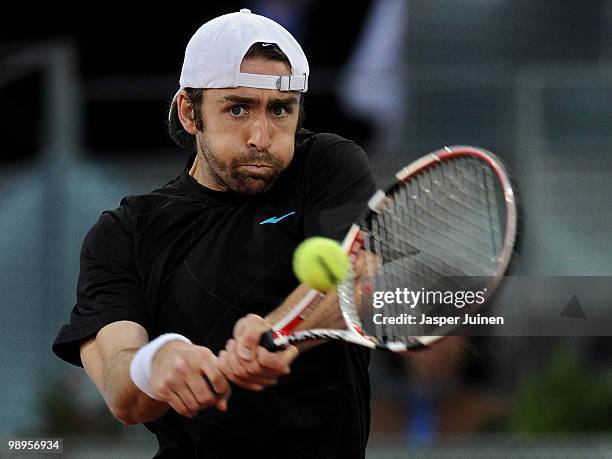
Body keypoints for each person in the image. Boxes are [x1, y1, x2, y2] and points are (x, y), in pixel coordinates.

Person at [52, 9, 376, 458]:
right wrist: (156, 363)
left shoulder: (327, 165)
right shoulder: (124, 233)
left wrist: (278, 332)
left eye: (280, 109)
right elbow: (120, 385)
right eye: (237, 108)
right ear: (190, 112)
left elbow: (359, 278)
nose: (261, 136)